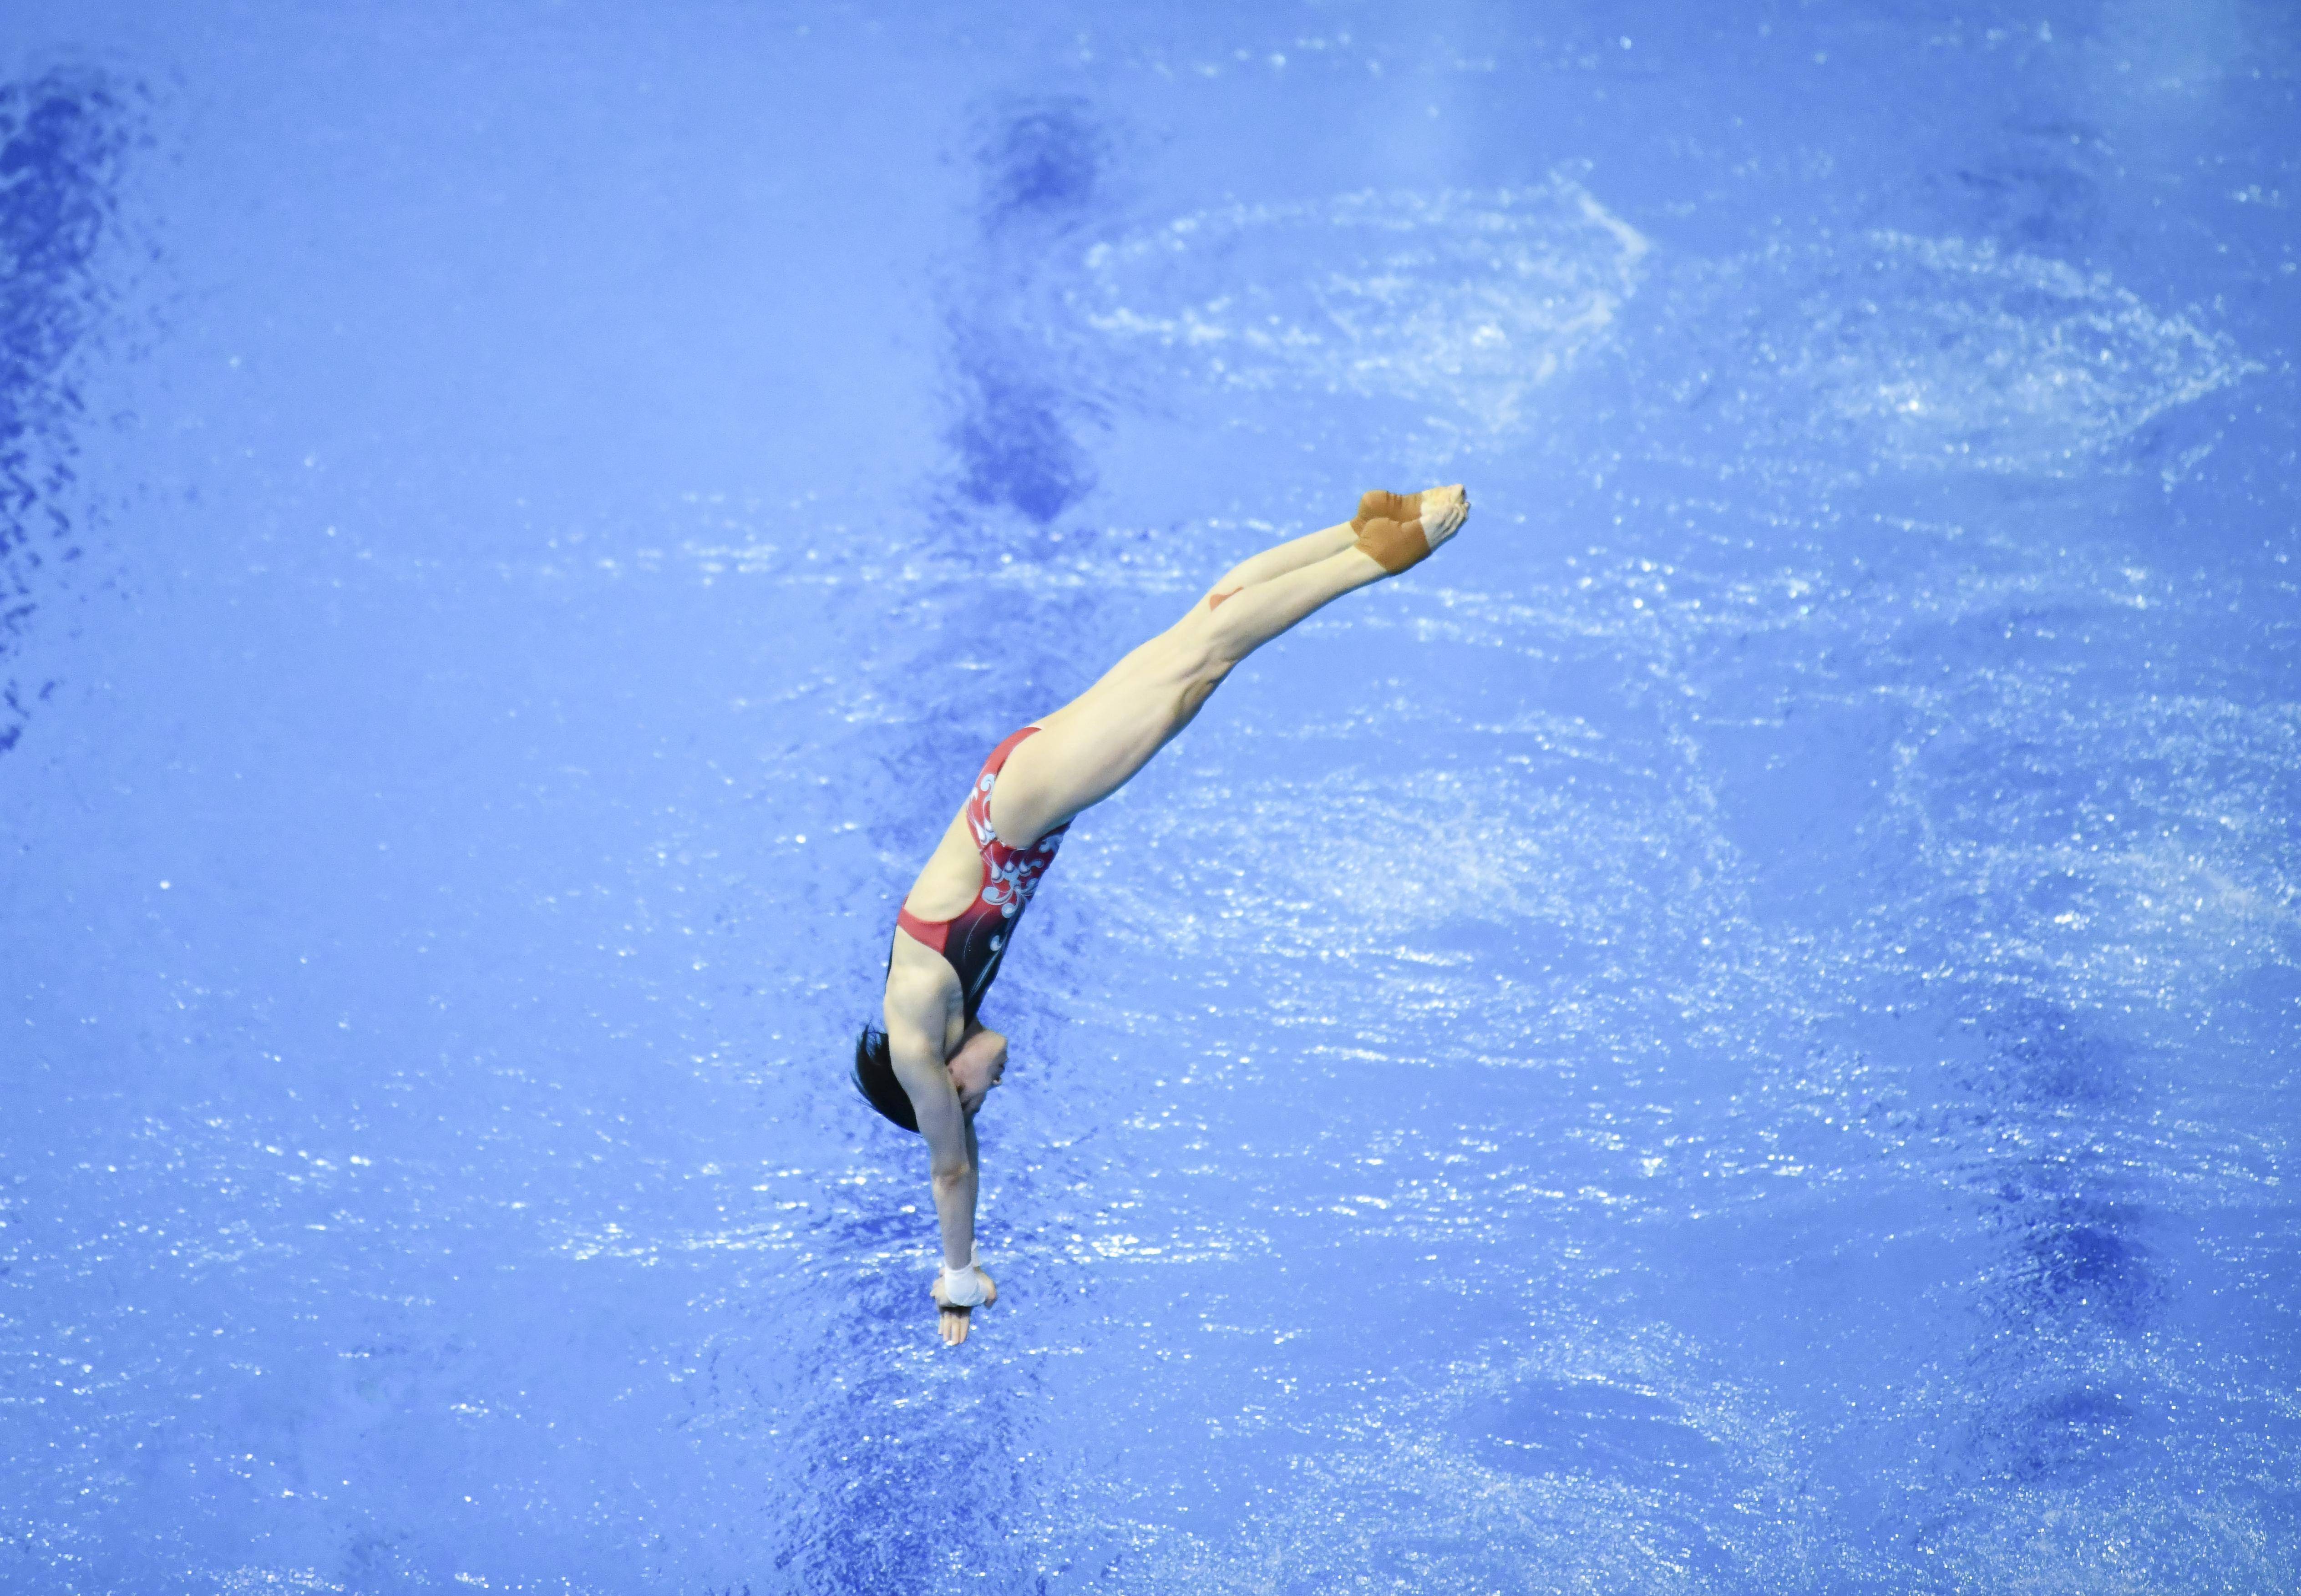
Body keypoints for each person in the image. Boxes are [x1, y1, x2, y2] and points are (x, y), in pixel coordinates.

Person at [854, 485, 1472, 1344]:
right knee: (1199, 638)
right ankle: (1366, 525)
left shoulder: (919, 1035)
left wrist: (957, 1278)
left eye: (980, 1099)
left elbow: (950, 1166)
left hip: (1019, 812)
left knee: (1205, 658)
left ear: (947, 1088)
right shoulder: (944, 1013)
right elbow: (963, 1147)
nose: (999, 1083)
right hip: (1021, 790)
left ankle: (1382, 556)